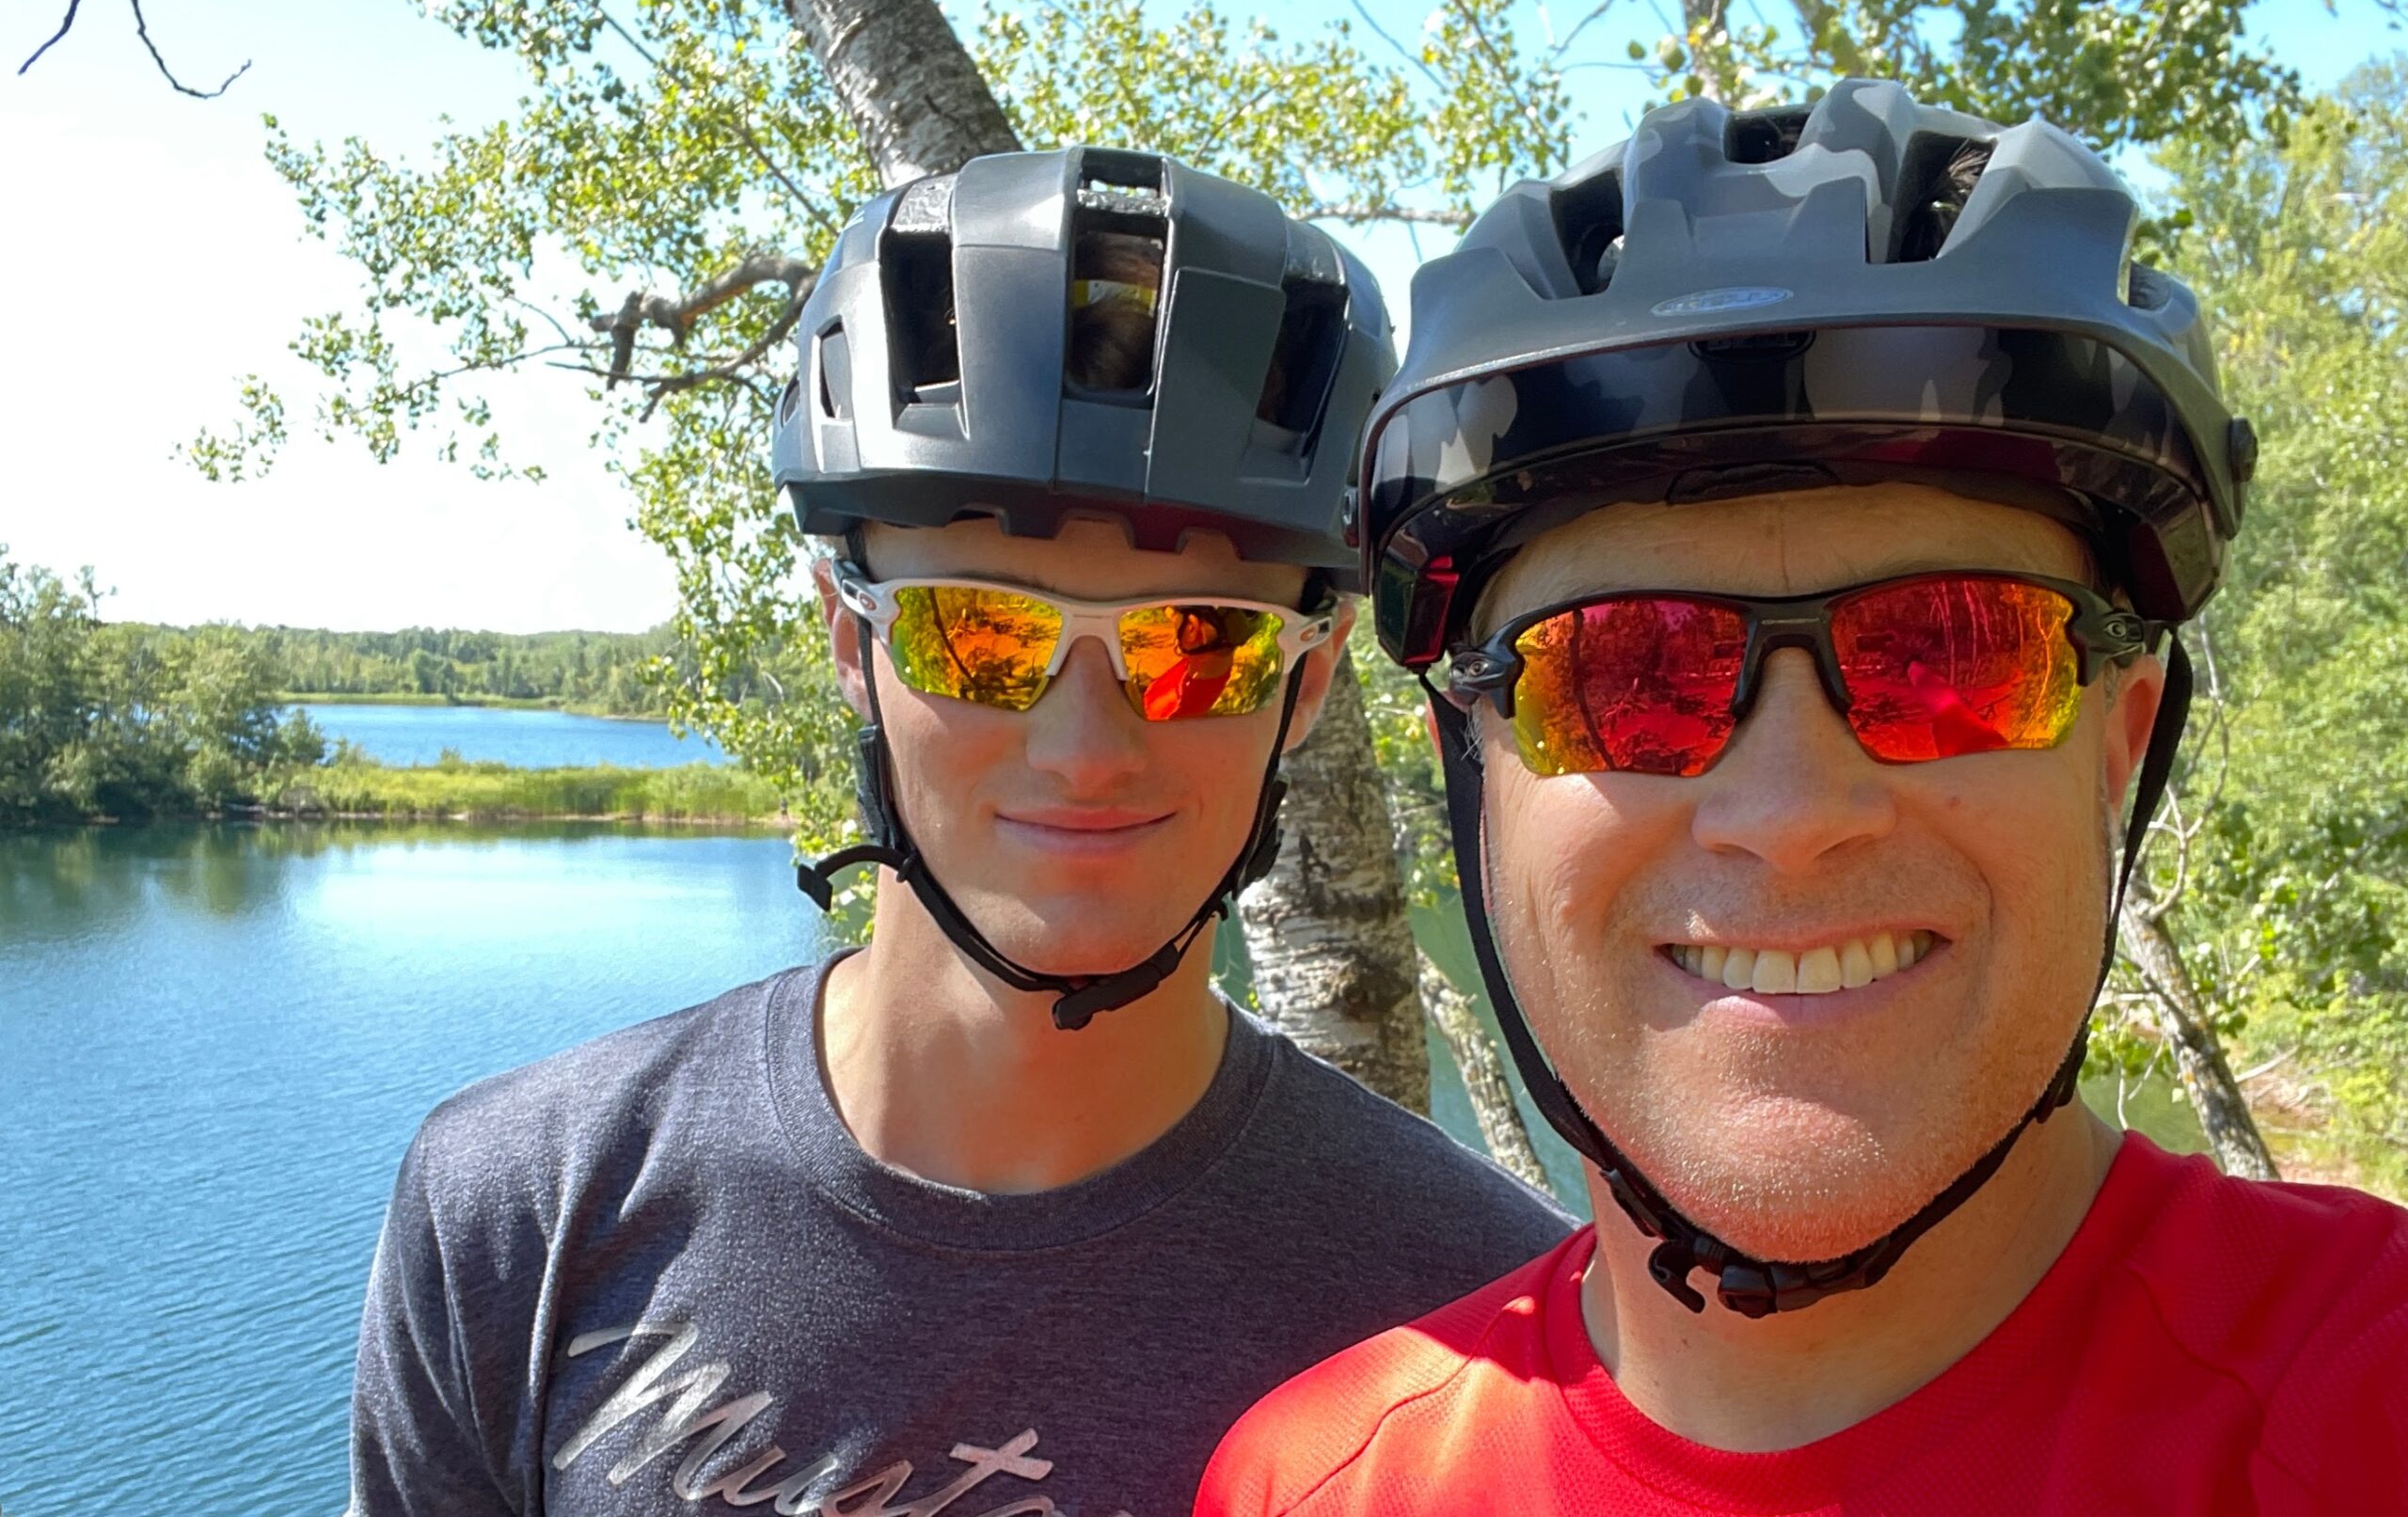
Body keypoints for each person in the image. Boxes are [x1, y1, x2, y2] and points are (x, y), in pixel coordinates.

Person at [1197, 83, 2408, 1515]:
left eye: (1954, 652)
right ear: (1477, 776)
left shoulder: (2361, 1402)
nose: (1789, 809)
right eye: (1624, 669)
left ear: (2118, 747)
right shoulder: (1320, 1488)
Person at [345, 146, 1570, 1517]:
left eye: (1196, 648)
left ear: (1310, 682)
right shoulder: (520, 1212)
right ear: (849, 642)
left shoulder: (1493, 1339)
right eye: (981, 633)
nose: (1085, 746)